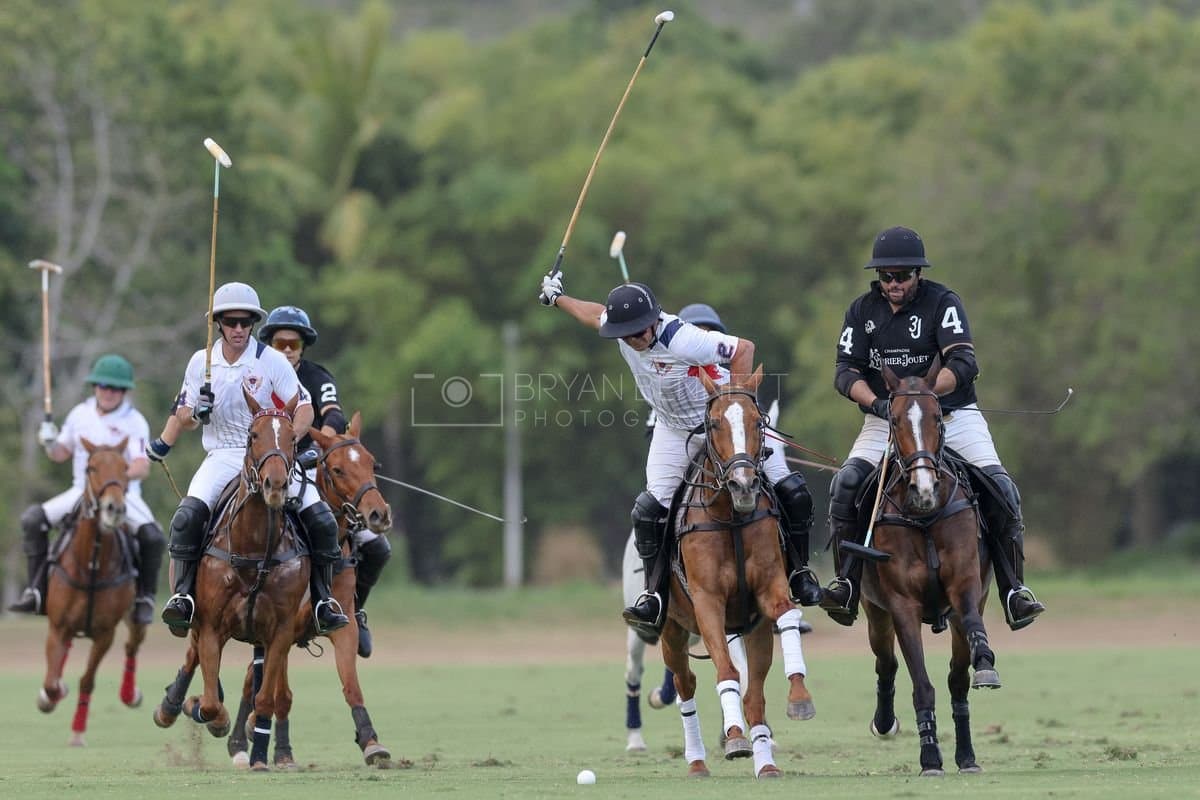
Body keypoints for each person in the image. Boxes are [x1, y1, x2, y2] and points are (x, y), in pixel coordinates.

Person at [540, 275, 822, 640]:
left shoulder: (683, 338)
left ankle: (799, 574)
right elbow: (593, 315)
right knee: (648, 511)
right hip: (673, 431)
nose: (633, 339)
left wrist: (733, 407)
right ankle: (655, 595)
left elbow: (744, 349)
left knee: (793, 491)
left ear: (653, 320)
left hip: (721, 424)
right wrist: (558, 298)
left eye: (639, 331)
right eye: (625, 334)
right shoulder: (623, 329)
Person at [819, 225, 1046, 630]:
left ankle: (1014, 589)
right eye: (886, 276)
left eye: (903, 276)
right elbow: (845, 372)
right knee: (845, 484)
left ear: (918, 274)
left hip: (951, 416)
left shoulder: (943, 303)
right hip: (886, 420)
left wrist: (921, 396)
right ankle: (847, 583)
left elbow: (963, 362)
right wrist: (880, 404)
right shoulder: (861, 311)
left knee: (1002, 488)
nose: (894, 283)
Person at [154, 282, 349, 636]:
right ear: (218, 324)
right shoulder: (201, 362)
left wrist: (290, 440)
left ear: (254, 324)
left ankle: (323, 602)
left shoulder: (271, 361)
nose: (239, 329)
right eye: (231, 322)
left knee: (322, 519)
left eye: (246, 322)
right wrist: (197, 412)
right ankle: (183, 597)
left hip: (271, 453)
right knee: (186, 516)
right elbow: (182, 415)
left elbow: (305, 408)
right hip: (223, 454)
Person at [256, 305, 390, 659]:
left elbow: (334, 416)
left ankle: (354, 610)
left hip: (315, 468)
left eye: (294, 343)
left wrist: (320, 447)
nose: (287, 349)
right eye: (280, 343)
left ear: (303, 346)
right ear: (269, 345)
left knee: (377, 547)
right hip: (268, 471)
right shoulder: (256, 378)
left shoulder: (318, 377)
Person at [10, 354, 165, 625]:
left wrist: (113, 479)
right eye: (104, 385)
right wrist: (49, 442)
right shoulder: (79, 414)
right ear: (95, 386)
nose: (108, 392)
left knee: (153, 537)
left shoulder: (135, 421)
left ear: (124, 391)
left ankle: (145, 598)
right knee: (33, 519)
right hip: (81, 492)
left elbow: (141, 466)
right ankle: (36, 591)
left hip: (123, 495)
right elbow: (60, 454)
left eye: (116, 387)